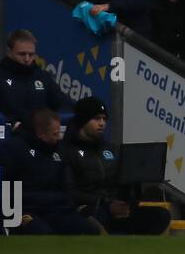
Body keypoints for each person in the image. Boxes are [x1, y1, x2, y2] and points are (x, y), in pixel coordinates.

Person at [59, 97, 171, 235]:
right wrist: (105, 204)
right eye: (96, 119)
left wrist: (135, 188)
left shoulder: (112, 149)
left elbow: (123, 184)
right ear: (83, 121)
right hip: (92, 207)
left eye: (104, 119)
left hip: (117, 207)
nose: (102, 123)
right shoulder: (67, 151)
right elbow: (70, 192)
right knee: (94, 217)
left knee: (161, 215)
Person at [0, 108, 100, 235]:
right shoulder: (11, 150)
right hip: (22, 210)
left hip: (56, 209)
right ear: (40, 133)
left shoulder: (59, 150)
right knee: (42, 233)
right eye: (54, 134)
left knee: (87, 230)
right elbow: (2, 189)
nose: (58, 137)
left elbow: (66, 187)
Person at [0, 29, 68, 127]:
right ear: (9, 52)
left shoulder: (43, 77)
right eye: (22, 54)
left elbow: (63, 104)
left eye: (31, 54)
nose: (27, 59)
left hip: (40, 136)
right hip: (9, 136)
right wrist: (9, 124)